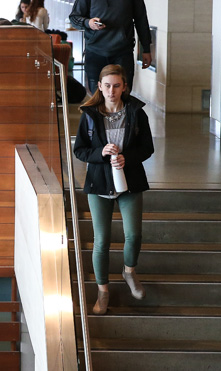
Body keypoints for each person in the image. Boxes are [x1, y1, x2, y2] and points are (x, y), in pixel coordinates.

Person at [73, 64, 154, 315]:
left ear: (124, 86)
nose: (112, 91)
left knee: (134, 235)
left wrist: (126, 158)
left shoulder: (135, 112)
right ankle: (103, 291)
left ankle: (129, 271)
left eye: (117, 85)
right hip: (99, 182)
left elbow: (147, 148)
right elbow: (80, 150)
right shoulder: (89, 115)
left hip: (130, 181)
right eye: (107, 86)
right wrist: (100, 153)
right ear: (99, 86)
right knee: (101, 241)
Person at [69, 0, 152, 94]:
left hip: (122, 51)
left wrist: (146, 48)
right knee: (97, 99)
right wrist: (89, 23)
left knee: (123, 97)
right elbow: (74, 18)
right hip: (95, 51)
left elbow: (141, 18)